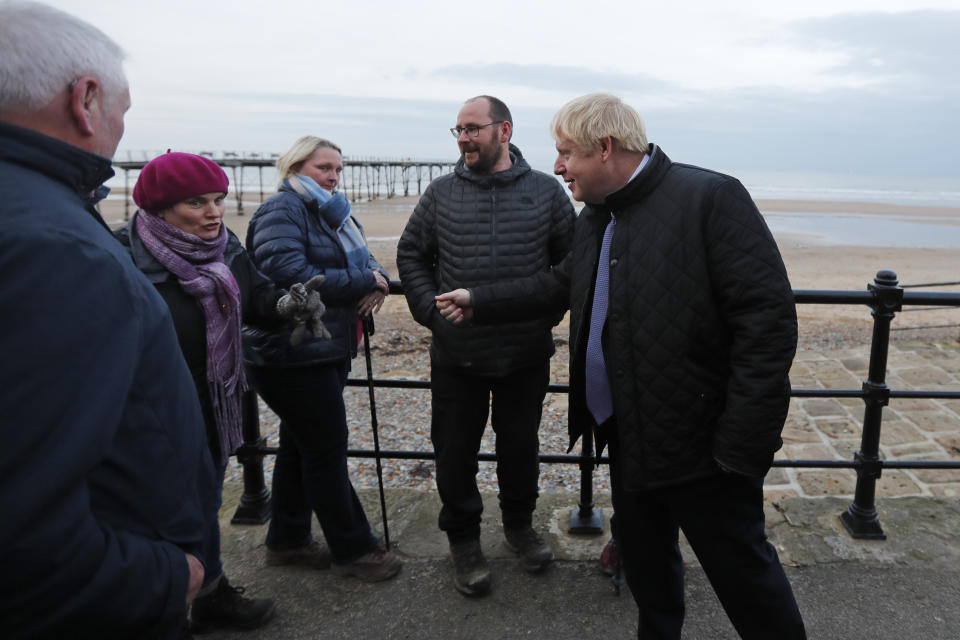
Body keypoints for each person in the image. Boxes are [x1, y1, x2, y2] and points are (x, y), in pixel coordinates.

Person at [437, 93, 806, 638]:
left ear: (605, 148)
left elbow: (767, 326)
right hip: (626, 435)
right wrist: (480, 298)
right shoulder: (597, 215)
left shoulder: (710, 198)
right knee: (650, 578)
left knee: (747, 583)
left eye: (566, 153)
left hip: (705, 449)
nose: (558, 166)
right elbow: (560, 283)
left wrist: (742, 444)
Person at [0, 3, 210, 638]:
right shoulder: (53, 246)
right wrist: (166, 577)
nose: (122, 125)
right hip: (104, 602)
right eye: (124, 107)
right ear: (85, 100)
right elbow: (24, 520)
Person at [116, 152, 328, 633]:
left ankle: (210, 593)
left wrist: (286, 304)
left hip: (213, 406)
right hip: (149, 415)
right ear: (159, 208)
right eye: (196, 202)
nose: (214, 212)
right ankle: (161, 605)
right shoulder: (123, 260)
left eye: (218, 199)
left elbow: (254, 299)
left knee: (206, 501)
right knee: (153, 513)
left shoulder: (225, 248)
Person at [396, 96, 575, 596]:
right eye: (457, 130)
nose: (463, 138)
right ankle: (464, 542)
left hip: (524, 354)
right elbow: (411, 254)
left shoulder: (546, 192)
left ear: (504, 130)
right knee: (455, 453)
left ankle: (519, 527)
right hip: (457, 355)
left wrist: (545, 317)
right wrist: (431, 314)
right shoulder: (440, 193)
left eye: (473, 128)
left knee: (521, 448)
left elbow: (570, 266)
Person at [245, 136, 402, 582]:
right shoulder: (283, 210)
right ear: (296, 168)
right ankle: (353, 549)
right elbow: (289, 274)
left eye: (338, 169)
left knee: (301, 445)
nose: (333, 177)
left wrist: (376, 279)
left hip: (322, 347)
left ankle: (288, 541)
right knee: (326, 449)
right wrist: (361, 280)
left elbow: (368, 263)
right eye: (323, 168)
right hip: (292, 352)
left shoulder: (331, 212)